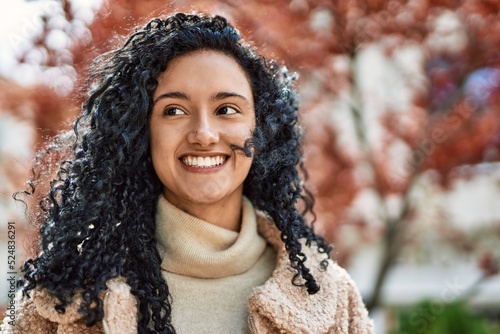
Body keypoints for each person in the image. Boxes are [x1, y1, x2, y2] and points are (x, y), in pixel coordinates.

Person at [1, 12, 373, 334]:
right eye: (174, 111)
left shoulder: (330, 294)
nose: (204, 134)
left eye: (227, 109)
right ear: (141, 133)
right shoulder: (63, 298)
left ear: (261, 131)